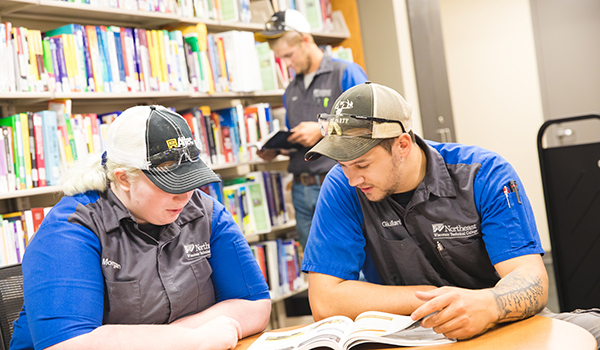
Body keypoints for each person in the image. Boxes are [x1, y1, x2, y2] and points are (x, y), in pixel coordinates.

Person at [301, 82, 600, 344]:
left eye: (363, 164)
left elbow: (531, 279)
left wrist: (488, 304)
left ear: (402, 145)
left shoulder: (485, 174)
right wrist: (439, 299)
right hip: (414, 330)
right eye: (343, 165)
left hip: (501, 320)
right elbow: (325, 300)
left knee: (594, 329)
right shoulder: (343, 185)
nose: (352, 179)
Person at [10, 106, 271, 350]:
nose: (185, 196)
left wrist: (175, 336)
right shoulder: (69, 229)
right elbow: (68, 343)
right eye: (170, 184)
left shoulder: (205, 212)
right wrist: (193, 340)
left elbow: (255, 304)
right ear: (124, 178)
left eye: (191, 179)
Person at [255, 9, 368, 249]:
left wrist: (323, 128)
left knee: (351, 264)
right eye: (280, 59)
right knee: (316, 267)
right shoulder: (291, 90)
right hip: (300, 189)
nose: (286, 64)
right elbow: (301, 140)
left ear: (306, 40)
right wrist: (278, 149)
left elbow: (370, 122)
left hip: (337, 183)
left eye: (289, 55)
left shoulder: (346, 73)